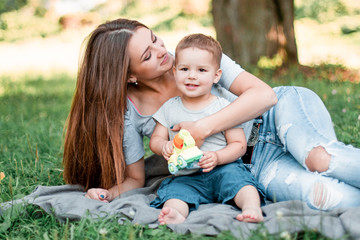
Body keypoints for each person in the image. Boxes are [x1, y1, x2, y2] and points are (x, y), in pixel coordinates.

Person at [62, 18, 360, 210]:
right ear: (128, 76)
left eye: (153, 38)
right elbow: (134, 179)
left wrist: (202, 128)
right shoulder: (129, 114)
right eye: (147, 55)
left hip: (277, 114)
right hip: (250, 164)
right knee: (325, 196)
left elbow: (265, 96)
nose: (161, 50)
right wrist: (109, 194)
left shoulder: (195, 55)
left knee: (317, 158)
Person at [149, 34, 265, 224]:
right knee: (174, 192)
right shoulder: (169, 107)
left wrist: (218, 157)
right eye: (184, 69)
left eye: (202, 70)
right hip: (187, 175)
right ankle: (176, 214)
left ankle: (251, 208)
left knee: (241, 183)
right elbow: (156, 139)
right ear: (174, 71)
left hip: (223, 169)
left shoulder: (223, 106)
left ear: (216, 75)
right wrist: (164, 146)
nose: (192, 75)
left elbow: (239, 145)